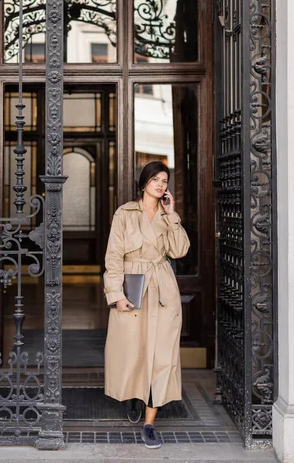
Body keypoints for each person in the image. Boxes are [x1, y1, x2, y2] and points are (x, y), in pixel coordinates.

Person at [103, 161, 190, 449]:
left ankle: (150, 422)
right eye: (156, 179)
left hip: (162, 288)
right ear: (144, 183)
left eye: (165, 180)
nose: (161, 184)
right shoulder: (125, 213)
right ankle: (132, 395)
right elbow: (114, 256)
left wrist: (172, 214)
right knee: (132, 349)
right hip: (133, 287)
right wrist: (115, 293)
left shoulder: (168, 216)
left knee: (162, 353)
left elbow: (179, 251)